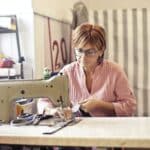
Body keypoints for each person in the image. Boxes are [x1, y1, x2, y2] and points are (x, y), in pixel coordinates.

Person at [37, 23, 137, 150]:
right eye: (79, 51)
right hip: (75, 137)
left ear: (101, 51)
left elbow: (130, 106)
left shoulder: (114, 71)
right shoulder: (67, 72)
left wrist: (99, 105)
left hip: (108, 137)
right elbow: (44, 100)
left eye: (90, 52)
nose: (83, 58)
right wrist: (53, 111)